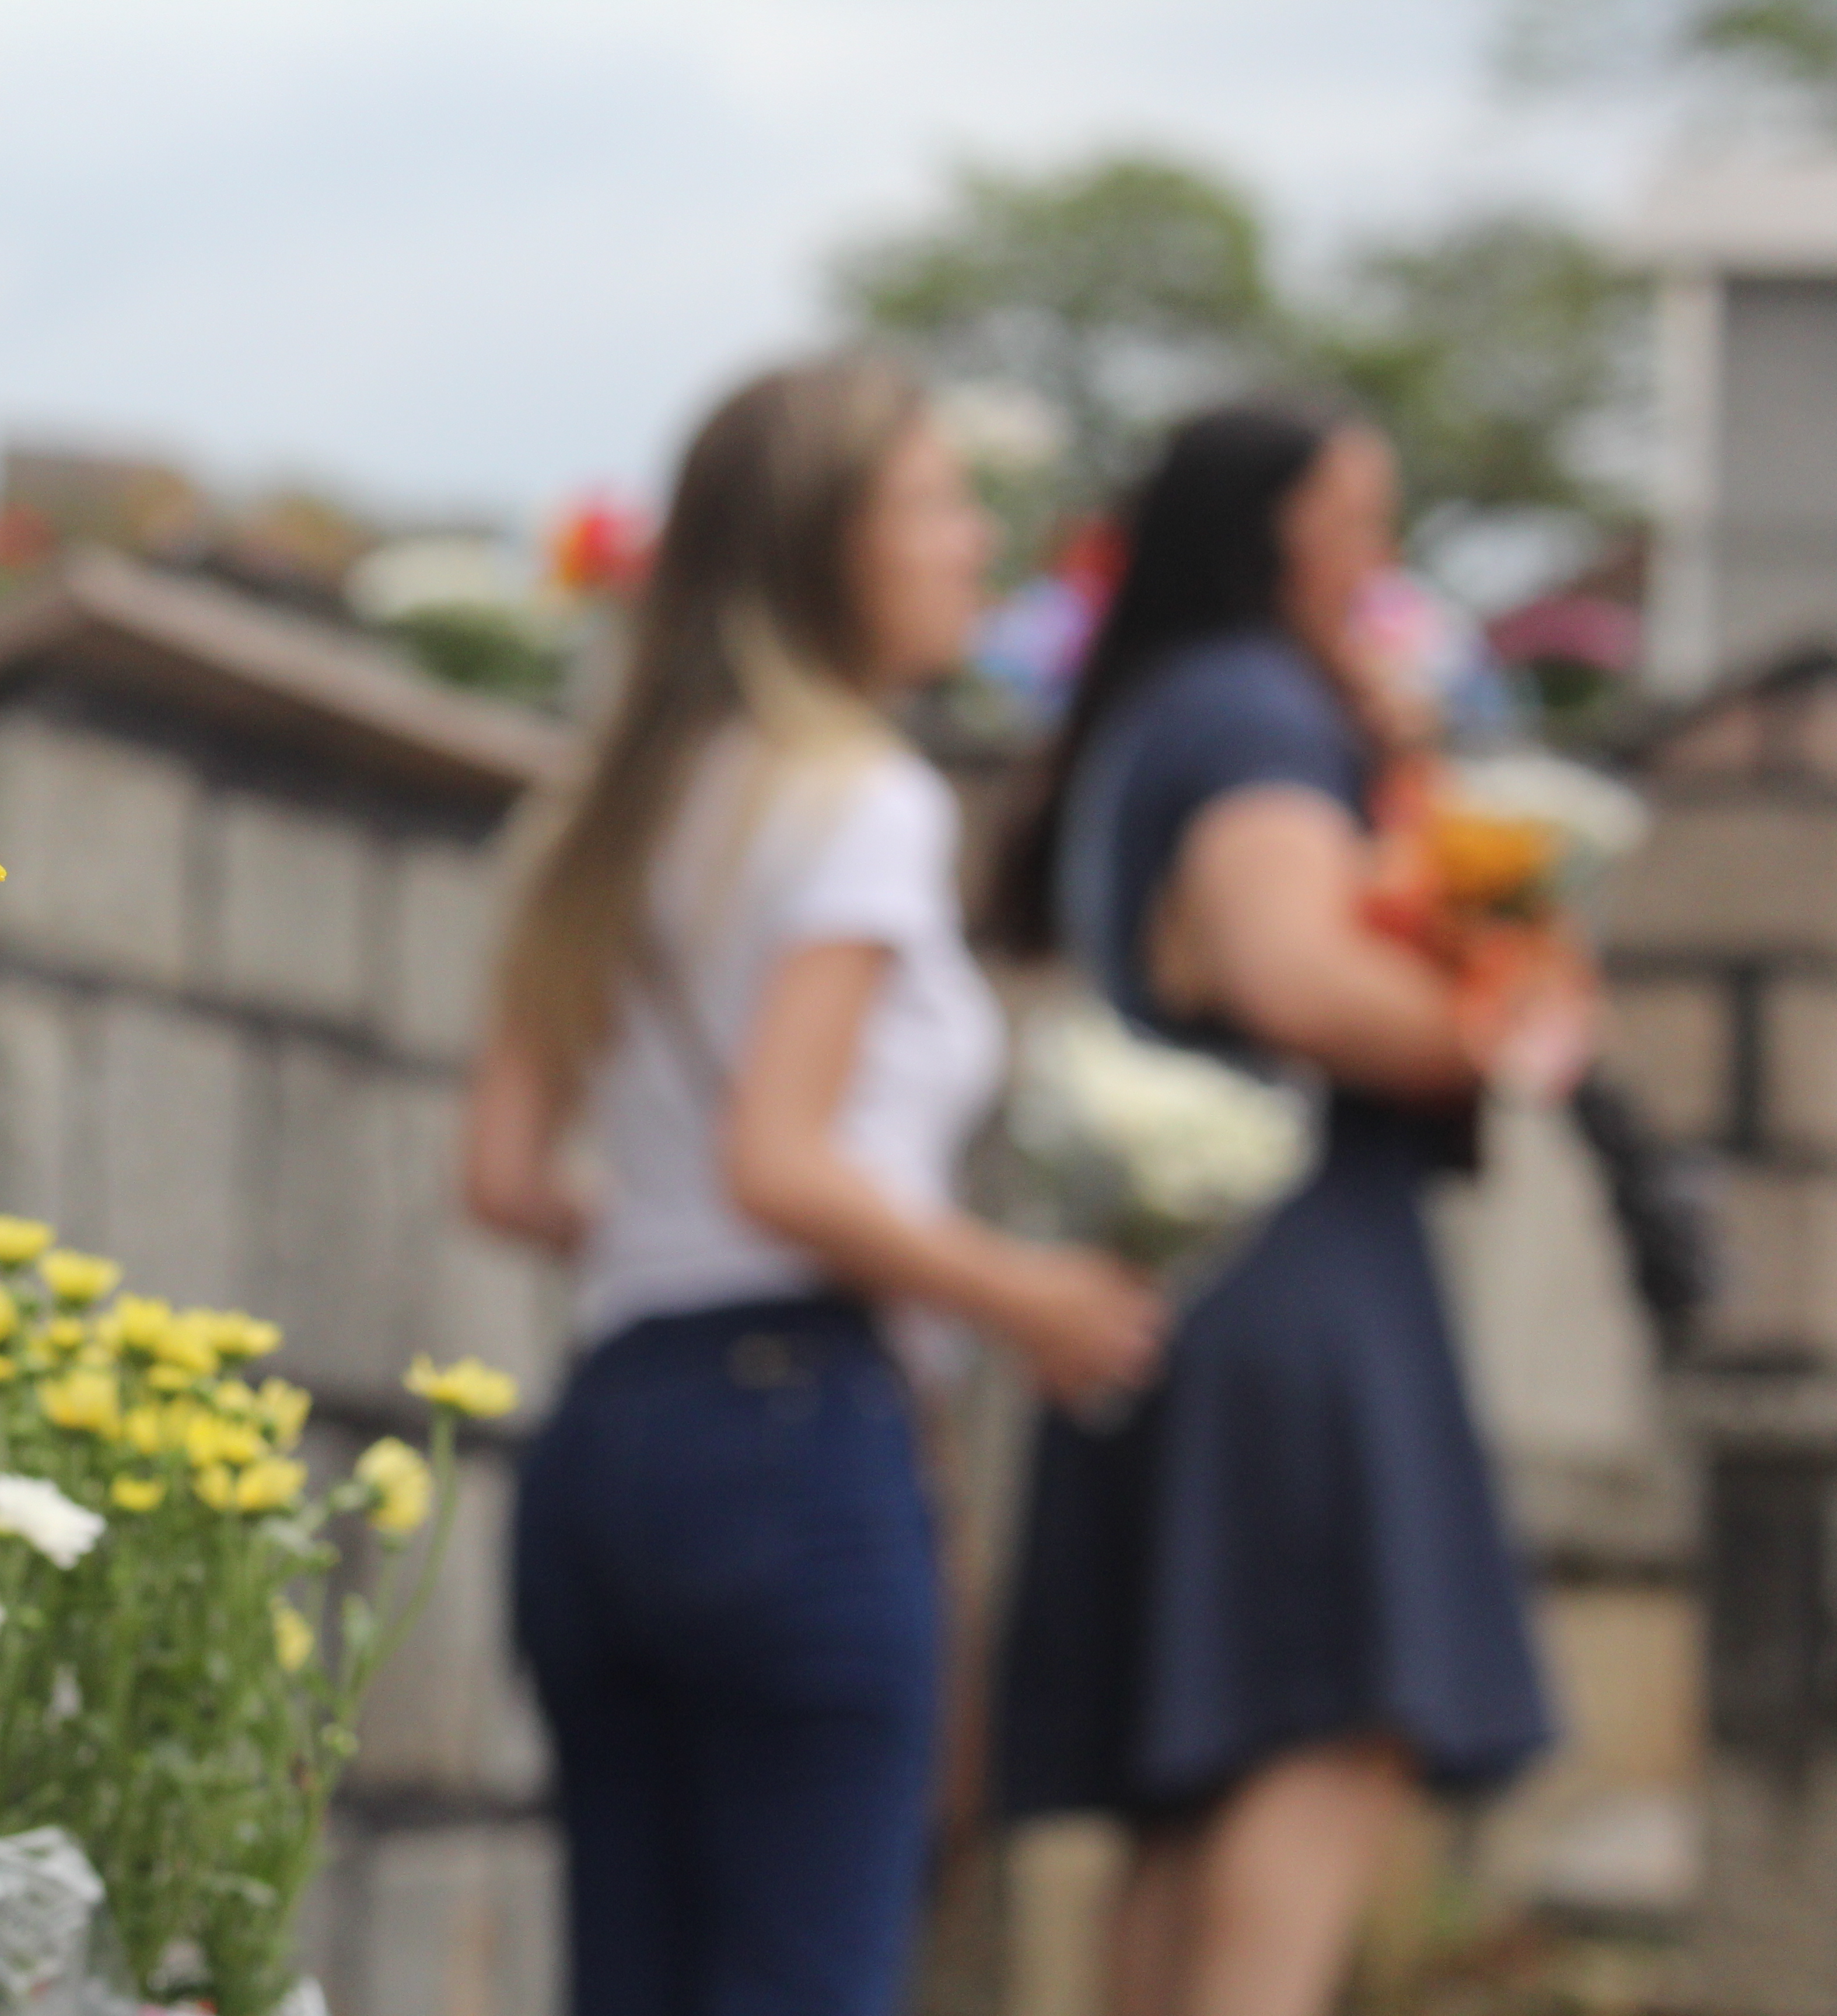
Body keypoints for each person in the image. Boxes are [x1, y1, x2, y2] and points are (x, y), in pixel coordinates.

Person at [462, 351, 1163, 2016]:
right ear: (823, 544)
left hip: (612, 1430)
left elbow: (500, 1175)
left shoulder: (602, 813)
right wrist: (1033, 1296)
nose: (971, 540)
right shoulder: (862, 801)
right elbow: (776, 1160)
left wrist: (669, 1244)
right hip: (793, 1442)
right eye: (929, 500)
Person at [986, 400, 1584, 2016]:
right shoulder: (1256, 714)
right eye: (1359, 522)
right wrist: (1493, 1015)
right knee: (1312, 1730)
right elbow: (1289, 969)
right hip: (1298, 1287)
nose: (1380, 561)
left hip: (1182, 1271)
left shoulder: (1153, 714)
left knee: (1192, 1779)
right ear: (1281, 537)